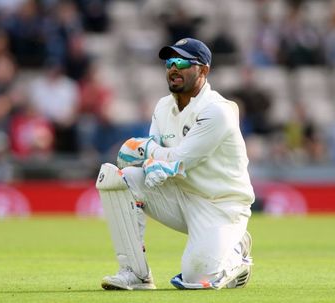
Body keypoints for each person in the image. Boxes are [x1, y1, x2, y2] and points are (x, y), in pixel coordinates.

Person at [96, 38, 254, 290]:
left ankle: (235, 250)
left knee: (196, 278)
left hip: (221, 205)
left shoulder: (218, 111)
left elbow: (180, 159)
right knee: (118, 178)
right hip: (180, 195)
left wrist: (146, 149)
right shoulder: (162, 106)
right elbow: (154, 161)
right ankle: (135, 274)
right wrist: (150, 160)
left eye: (182, 62)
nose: (173, 68)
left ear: (203, 70)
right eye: (169, 62)